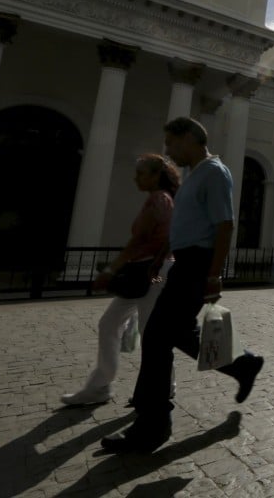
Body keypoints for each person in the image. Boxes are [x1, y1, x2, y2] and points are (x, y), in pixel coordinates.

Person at [101, 118, 264, 453]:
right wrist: (163, 256)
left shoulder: (214, 172)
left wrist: (214, 275)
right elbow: (185, 226)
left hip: (197, 265)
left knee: (158, 339)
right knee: (177, 335)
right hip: (183, 264)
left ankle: (151, 426)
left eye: (171, 144)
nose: (168, 152)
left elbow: (225, 225)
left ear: (189, 139)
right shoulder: (194, 176)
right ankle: (243, 364)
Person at [61, 154, 179, 406]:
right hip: (146, 272)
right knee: (111, 324)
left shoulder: (158, 200)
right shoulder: (163, 200)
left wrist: (111, 270)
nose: (136, 178)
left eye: (141, 173)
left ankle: (161, 386)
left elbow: (138, 242)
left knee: (149, 333)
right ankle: (101, 385)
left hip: (150, 273)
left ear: (155, 176)